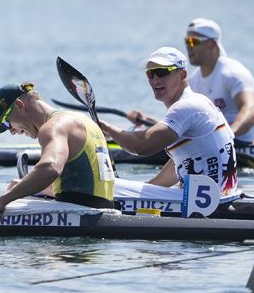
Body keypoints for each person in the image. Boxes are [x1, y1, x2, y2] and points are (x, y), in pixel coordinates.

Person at [98, 47, 238, 199]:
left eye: (162, 72)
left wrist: (106, 127)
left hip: (205, 202)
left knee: (112, 186)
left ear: (183, 74)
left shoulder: (187, 106)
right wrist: (145, 190)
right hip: (218, 196)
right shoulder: (199, 101)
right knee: (125, 188)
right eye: (150, 74)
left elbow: (141, 146)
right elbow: (180, 162)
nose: (155, 80)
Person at [0, 83, 116, 218]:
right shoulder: (82, 120)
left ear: (19, 105)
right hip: (102, 212)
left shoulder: (53, 127)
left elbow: (50, 168)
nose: (11, 131)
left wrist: (2, 201)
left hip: (81, 216)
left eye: (6, 122)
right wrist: (25, 188)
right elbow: (82, 184)